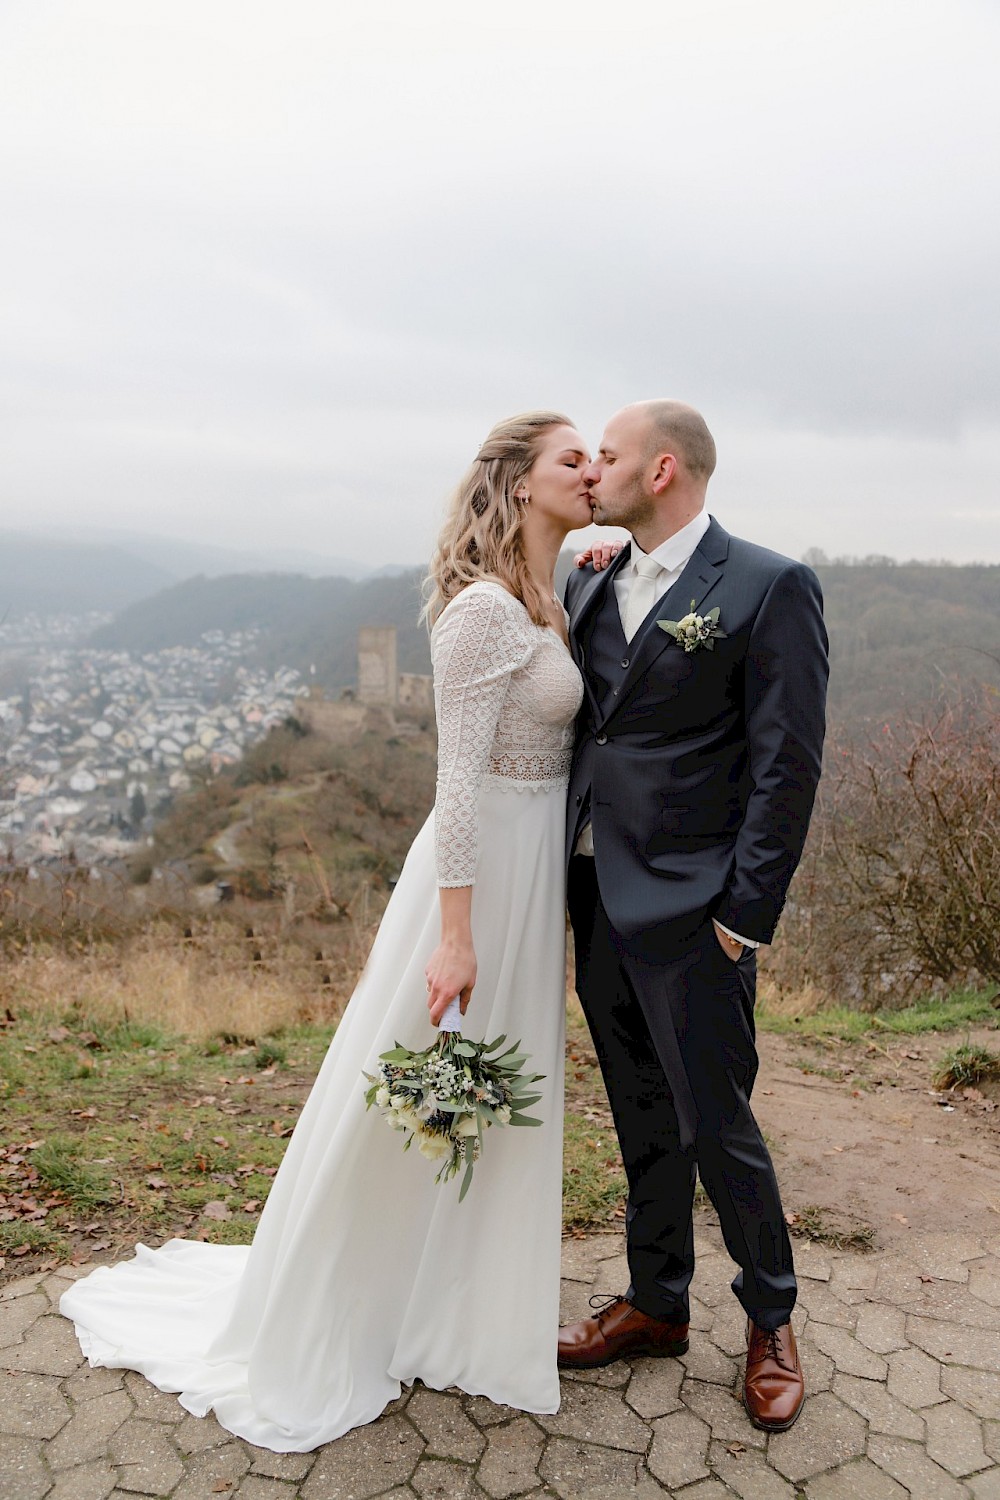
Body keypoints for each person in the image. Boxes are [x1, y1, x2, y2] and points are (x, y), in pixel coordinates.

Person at [60, 411, 593, 1452]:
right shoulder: (483, 612)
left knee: (493, 1096)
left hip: (533, 881)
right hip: (475, 884)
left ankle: (458, 1303)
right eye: (572, 459)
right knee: (422, 1090)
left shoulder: (549, 594)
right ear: (520, 482)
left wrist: (597, 549)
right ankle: (357, 1297)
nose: (591, 472)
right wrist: (454, 935)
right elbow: (458, 781)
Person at [559, 400, 828, 1433]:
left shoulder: (766, 586)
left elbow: (785, 766)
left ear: (663, 469)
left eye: (612, 456)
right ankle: (655, 1303)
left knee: (718, 1122)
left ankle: (769, 1320)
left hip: (697, 911)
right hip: (594, 895)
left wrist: (744, 918)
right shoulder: (591, 578)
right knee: (638, 1115)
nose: (596, 472)